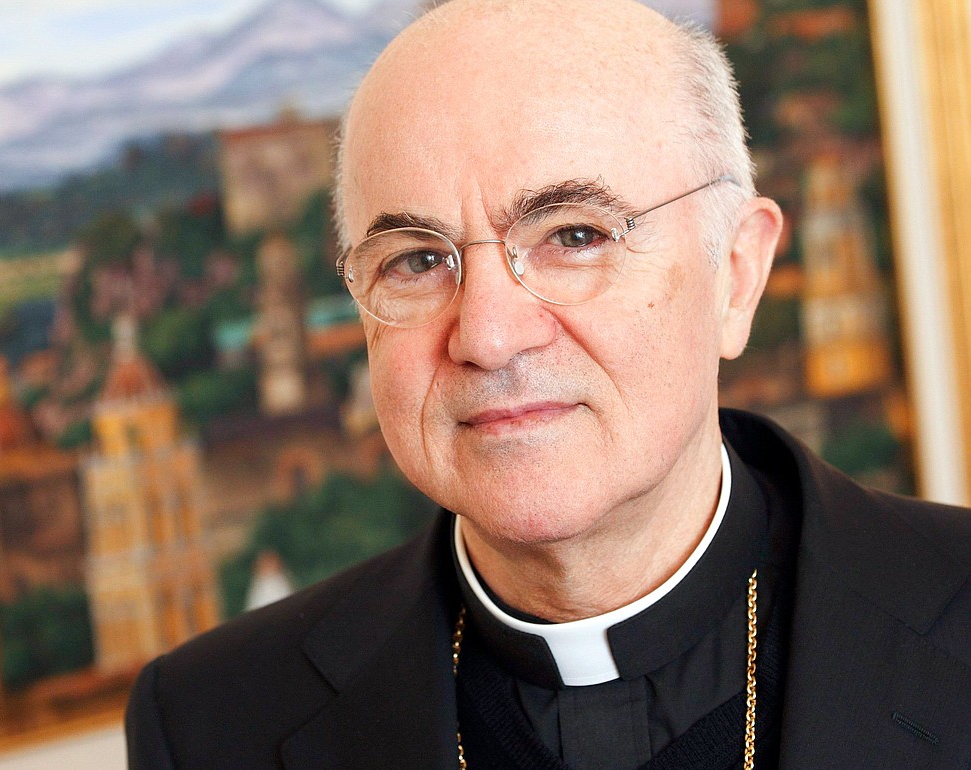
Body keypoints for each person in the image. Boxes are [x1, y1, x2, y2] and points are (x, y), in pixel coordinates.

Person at [124, 0, 971, 767]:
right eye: (418, 260)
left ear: (737, 274)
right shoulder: (208, 725)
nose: (489, 337)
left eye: (573, 235)